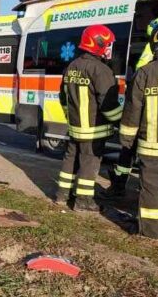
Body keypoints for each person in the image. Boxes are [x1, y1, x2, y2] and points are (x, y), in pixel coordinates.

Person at [119, 18, 158, 240]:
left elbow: (132, 110)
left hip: (153, 148)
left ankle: (153, 234)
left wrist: (126, 141)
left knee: (153, 190)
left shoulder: (145, 72)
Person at [56, 24, 122, 211]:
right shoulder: (101, 70)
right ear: (98, 44)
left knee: (70, 160)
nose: (109, 48)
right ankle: (83, 202)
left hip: (75, 127)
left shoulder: (72, 66)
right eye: (107, 44)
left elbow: (63, 97)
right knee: (89, 163)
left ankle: (62, 195)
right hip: (93, 130)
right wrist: (121, 122)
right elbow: (108, 105)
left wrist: (71, 118)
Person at [105, 16, 158, 198]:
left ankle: (119, 185)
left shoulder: (150, 53)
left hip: (148, 113)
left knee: (129, 152)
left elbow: (138, 80)